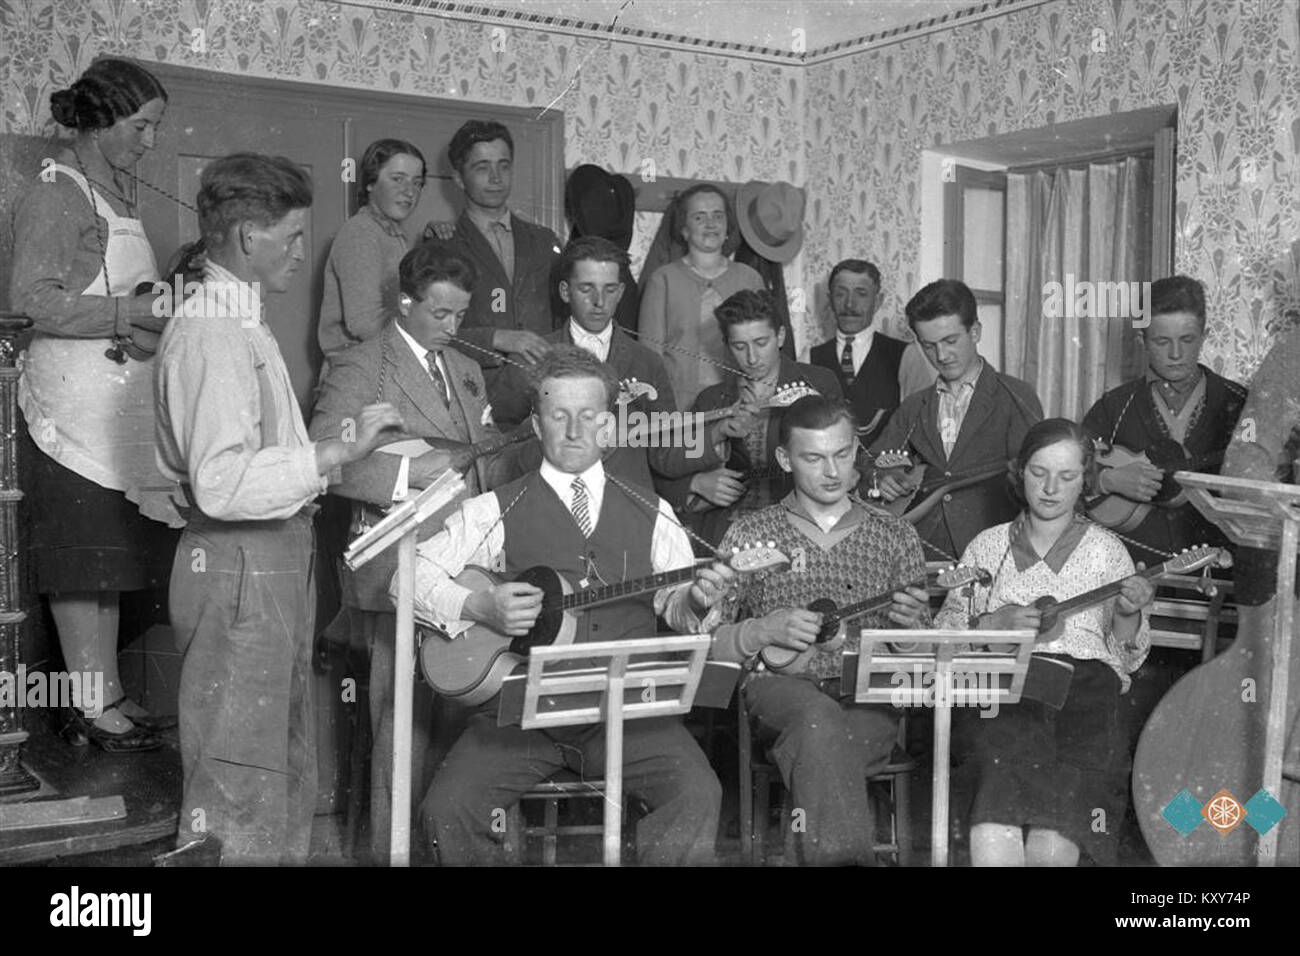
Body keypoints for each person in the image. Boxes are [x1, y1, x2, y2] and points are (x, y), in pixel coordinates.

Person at [155, 153, 404, 864]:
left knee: (281, 767)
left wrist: (337, 451)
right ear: (246, 238)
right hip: (238, 560)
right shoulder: (210, 330)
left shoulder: (240, 317)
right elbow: (221, 482)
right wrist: (334, 454)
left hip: (269, 557)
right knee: (236, 780)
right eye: (292, 237)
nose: (302, 252)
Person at [403, 346, 723, 865]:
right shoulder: (493, 507)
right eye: (558, 414)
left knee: (696, 792)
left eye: (589, 415)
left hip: (628, 714)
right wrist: (480, 605)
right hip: (521, 714)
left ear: (609, 424)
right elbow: (407, 576)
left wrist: (698, 601)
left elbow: (677, 607)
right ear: (535, 423)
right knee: (447, 809)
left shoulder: (654, 510)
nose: (574, 429)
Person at [310, 241, 515, 861]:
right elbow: (324, 456)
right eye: (441, 314)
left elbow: (486, 457)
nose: (454, 327)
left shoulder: (467, 368)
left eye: (462, 313)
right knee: (404, 732)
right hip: (395, 571)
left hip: (470, 569)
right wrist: (406, 478)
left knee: (467, 731)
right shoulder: (359, 365)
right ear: (405, 301)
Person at [12, 57, 180, 751]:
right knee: (84, 561)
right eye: (141, 127)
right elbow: (30, 302)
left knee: (110, 557)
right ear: (103, 120)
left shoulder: (112, 191)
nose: (148, 141)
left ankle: (103, 690)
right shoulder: (56, 194)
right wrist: (126, 314)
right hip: (66, 408)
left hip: (111, 403)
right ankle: (85, 704)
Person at [697, 395, 932, 865]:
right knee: (817, 725)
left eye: (842, 455)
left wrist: (909, 634)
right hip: (780, 691)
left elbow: (921, 662)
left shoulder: (895, 534)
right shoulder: (751, 533)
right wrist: (763, 629)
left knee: (823, 743)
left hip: (867, 699)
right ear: (784, 459)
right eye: (814, 457)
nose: (832, 471)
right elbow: (710, 645)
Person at [933, 418, 1155, 866]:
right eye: (1039, 473)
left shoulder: (1108, 552)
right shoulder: (986, 547)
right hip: (1005, 694)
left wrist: (1128, 615)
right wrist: (992, 625)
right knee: (997, 766)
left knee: (1069, 791)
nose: (1051, 488)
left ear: (1086, 482)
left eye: (1067, 476)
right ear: (1019, 473)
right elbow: (945, 641)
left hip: (1085, 697)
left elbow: (1127, 659)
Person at [863, 278, 1043, 563]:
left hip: (995, 550)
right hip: (923, 550)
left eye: (950, 341)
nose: (941, 356)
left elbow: (1035, 481)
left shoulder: (1016, 396)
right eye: (928, 346)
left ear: (975, 332)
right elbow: (872, 461)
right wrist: (883, 478)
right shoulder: (915, 405)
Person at [493, 235, 680, 491]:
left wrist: (717, 435)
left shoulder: (647, 362)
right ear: (565, 292)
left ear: (621, 292)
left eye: (610, 289)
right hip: (550, 505)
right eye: (586, 288)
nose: (599, 301)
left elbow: (667, 451)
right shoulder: (531, 357)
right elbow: (501, 441)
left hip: (626, 509)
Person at [661, 288, 842, 552]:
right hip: (725, 540)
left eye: (761, 343)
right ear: (726, 345)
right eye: (739, 346)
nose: (752, 358)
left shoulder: (819, 383)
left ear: (780, 336)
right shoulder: (712, 400)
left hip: (804, 537)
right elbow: (668, 464)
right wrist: (697, 483)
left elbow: (849, 462)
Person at [1082, 275, 1247, 562]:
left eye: (1187, 340)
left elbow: (1261, 470)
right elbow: (1063, 470)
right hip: (1131, 571)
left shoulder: (1243, 404)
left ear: (1205, 336)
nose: (1176, 354)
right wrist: (1107, 480)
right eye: (1161, 341)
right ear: (1141, 340)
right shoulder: (1114, 407)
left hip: (1219, 569)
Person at [433, 120, 560, 407]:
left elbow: (565, 319)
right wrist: (497, 338)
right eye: (482, 167)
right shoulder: (441, 248)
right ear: (458, 178)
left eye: (504, 165)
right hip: (475, 402)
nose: (496, 177)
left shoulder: (544, 241)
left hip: (544, 401)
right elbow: (429, 333)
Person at [638, 183, 764, 410]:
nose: (710, 224)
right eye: (699, 217)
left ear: (728, 227)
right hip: (678, 411)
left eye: (718, 215)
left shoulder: (750, 279)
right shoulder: (662, 280)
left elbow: (765, 351)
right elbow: (649, 358)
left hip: (739, 406)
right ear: (684, 229)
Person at [317, 138, 427, 359]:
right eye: (398, 179)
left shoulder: (391, 234)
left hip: (381, 362)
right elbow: (364, 323)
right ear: (370, 182)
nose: (409, 191)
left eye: (417, 183)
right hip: (357, 371)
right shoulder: (361, 232)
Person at [808, 259, 916, 447]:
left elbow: (918, 424)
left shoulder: (906, 356)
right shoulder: (808, 358)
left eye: (861, 294)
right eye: (840, 294)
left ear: (878, 301)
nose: (850, 304)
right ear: (830, 299)